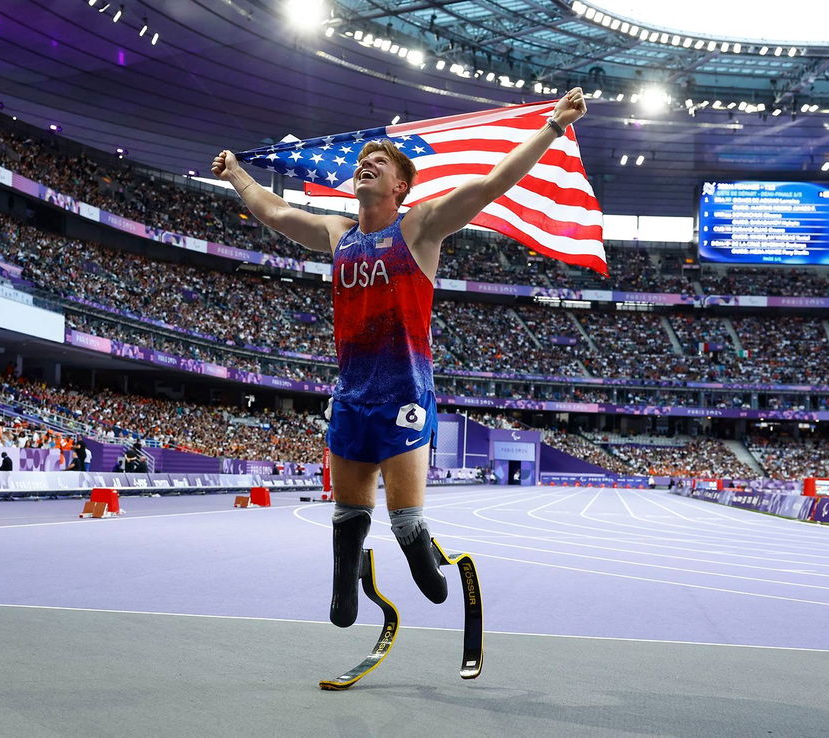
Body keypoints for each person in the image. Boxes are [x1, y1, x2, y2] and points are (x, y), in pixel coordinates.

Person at [212, 88, 588, 627]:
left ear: (400, 185)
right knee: (349, 512)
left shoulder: (419, 228)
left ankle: (426, 566)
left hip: (405, 393)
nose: (366, 163)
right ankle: (345, 592)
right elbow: (276, 211)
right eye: (363, 161)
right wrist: (236, 176)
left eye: (379, 162)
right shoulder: (337, 234)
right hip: (352, 393)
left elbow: (490, 185)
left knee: (406, 522)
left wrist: (552, 127)